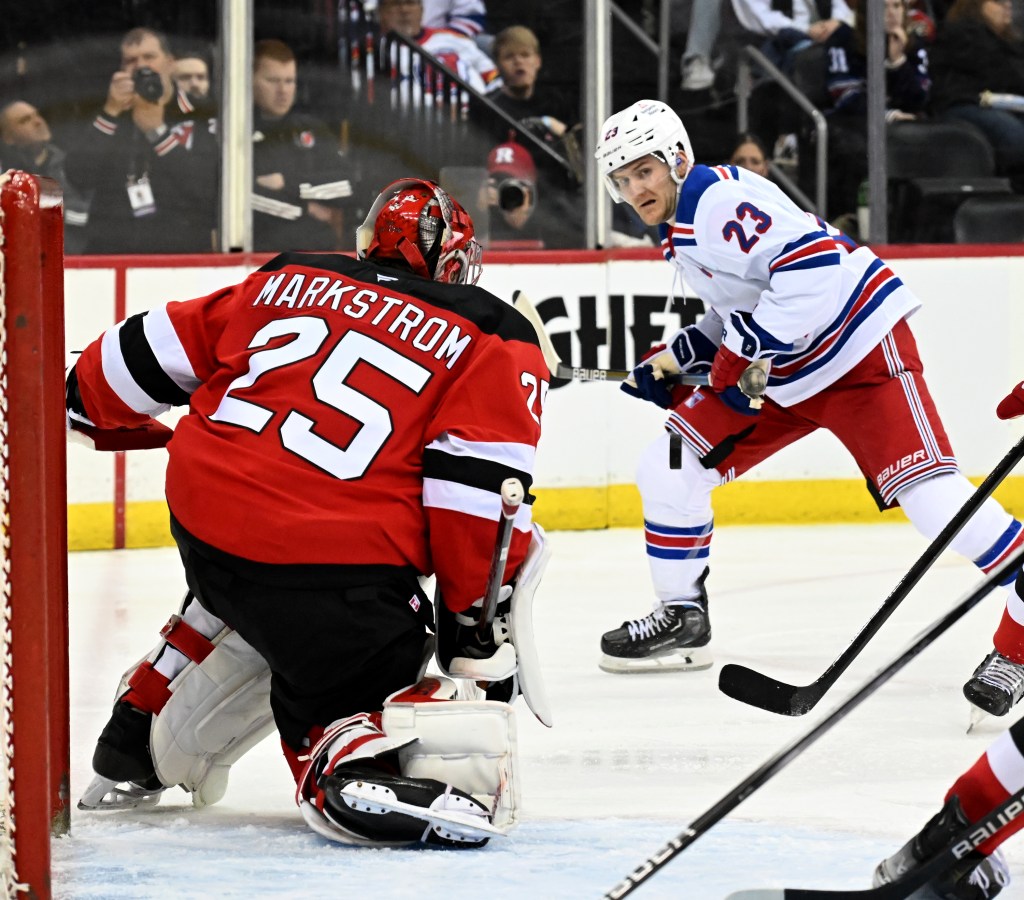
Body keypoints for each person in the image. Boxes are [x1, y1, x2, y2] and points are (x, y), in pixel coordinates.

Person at [68, 177, 551, 849]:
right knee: (371, 644)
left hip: (205, 527)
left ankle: (141, 730)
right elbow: (474, 501)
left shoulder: (288, 277)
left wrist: (83, 399)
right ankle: (344, 759)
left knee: (255, 595)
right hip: (328, 567)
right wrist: (471, 628)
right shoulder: (496, 334)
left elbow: (135, 355)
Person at [592, 100, 1024, 725]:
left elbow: (814, 272)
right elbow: (746, 299)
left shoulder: (715, 205)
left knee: (931, 501)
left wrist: (740, 356)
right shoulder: (683, 222)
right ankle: (683, 615)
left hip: (858, 356)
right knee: (671, 461)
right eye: (622, 179)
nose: (635, 189)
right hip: (786, 374)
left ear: (677, 159)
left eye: (644, 172)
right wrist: (685, 351)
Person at [62, 27, 218, 254]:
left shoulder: (203, 113)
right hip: (111, 255)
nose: (141, 66)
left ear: (170, 62)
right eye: (131, 60)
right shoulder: (109, 112)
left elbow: (208, 187)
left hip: (182, 259)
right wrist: (110, 112)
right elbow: (78, 175)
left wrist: (159, 134)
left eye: (150, 57)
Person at [824, 0, 932, 222]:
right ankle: (852, 222)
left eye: (896, 6)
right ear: (867, 11)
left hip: (902, 123)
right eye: (883, 7)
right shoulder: (844, 40)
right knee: (856, 151)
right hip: (854, 122)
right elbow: (845, 95)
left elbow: (919, 100)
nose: (891, 13)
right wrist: (886, 114)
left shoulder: (913, 45)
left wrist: (897, 61)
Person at [251, 38, 354, 252]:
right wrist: (306, 207)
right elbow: (245, 198)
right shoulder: (236, 133)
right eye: (272, 80)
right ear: (251, 80)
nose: (283, 90)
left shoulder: (310, 128)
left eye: (289, 81)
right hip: (261, 254)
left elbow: (347, 184)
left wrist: (289, 184)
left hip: (318, 253)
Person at [929, 0, 1024, 189]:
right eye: (998, 1)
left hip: (1003, 105)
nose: (1007, 5)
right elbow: (1000, 74)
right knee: (1015, 134)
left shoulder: (1010, 41)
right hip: (963, 103)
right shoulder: (961, 33)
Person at [0, 99, 91, 253]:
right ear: (8, 138)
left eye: (37, 115)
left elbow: (92, 214)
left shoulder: (71, 165)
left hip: (69, 263)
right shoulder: (4, 174)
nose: (37, 121)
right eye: (25, 120)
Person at [377, 0, 501, 95]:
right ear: (381, 13)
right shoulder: (376, 50)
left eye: (410, 2)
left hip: (474, 116)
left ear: (421, 10)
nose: (404, 10)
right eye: (395, 3)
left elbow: (492, 77)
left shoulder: (452, 39)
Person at [480, 139, 544, 248]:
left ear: (529, 190)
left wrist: (522, 215)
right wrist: (478, 211)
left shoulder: (547, 221)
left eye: (511, 182)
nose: (505, 191)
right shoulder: (483, 219)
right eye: (498, 182)